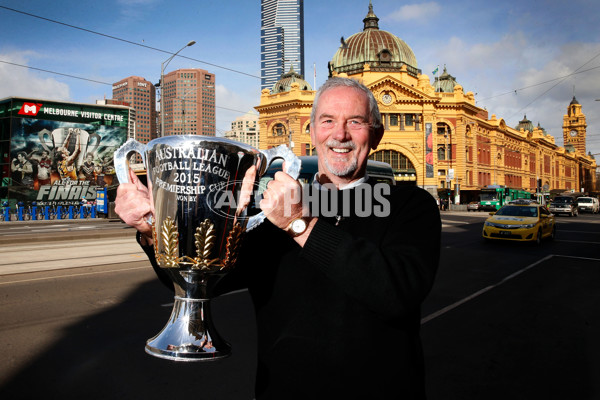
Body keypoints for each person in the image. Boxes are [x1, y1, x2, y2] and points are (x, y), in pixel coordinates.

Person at [115, 77, 441, 399]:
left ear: (376, 134)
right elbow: (203, 279)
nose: (339, 134)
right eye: (327, 121)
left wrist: (300, 223)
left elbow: (397, 294)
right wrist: (151, 230)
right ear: (311, 132)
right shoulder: (270, 214)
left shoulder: (410, 205)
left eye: (355, 122)